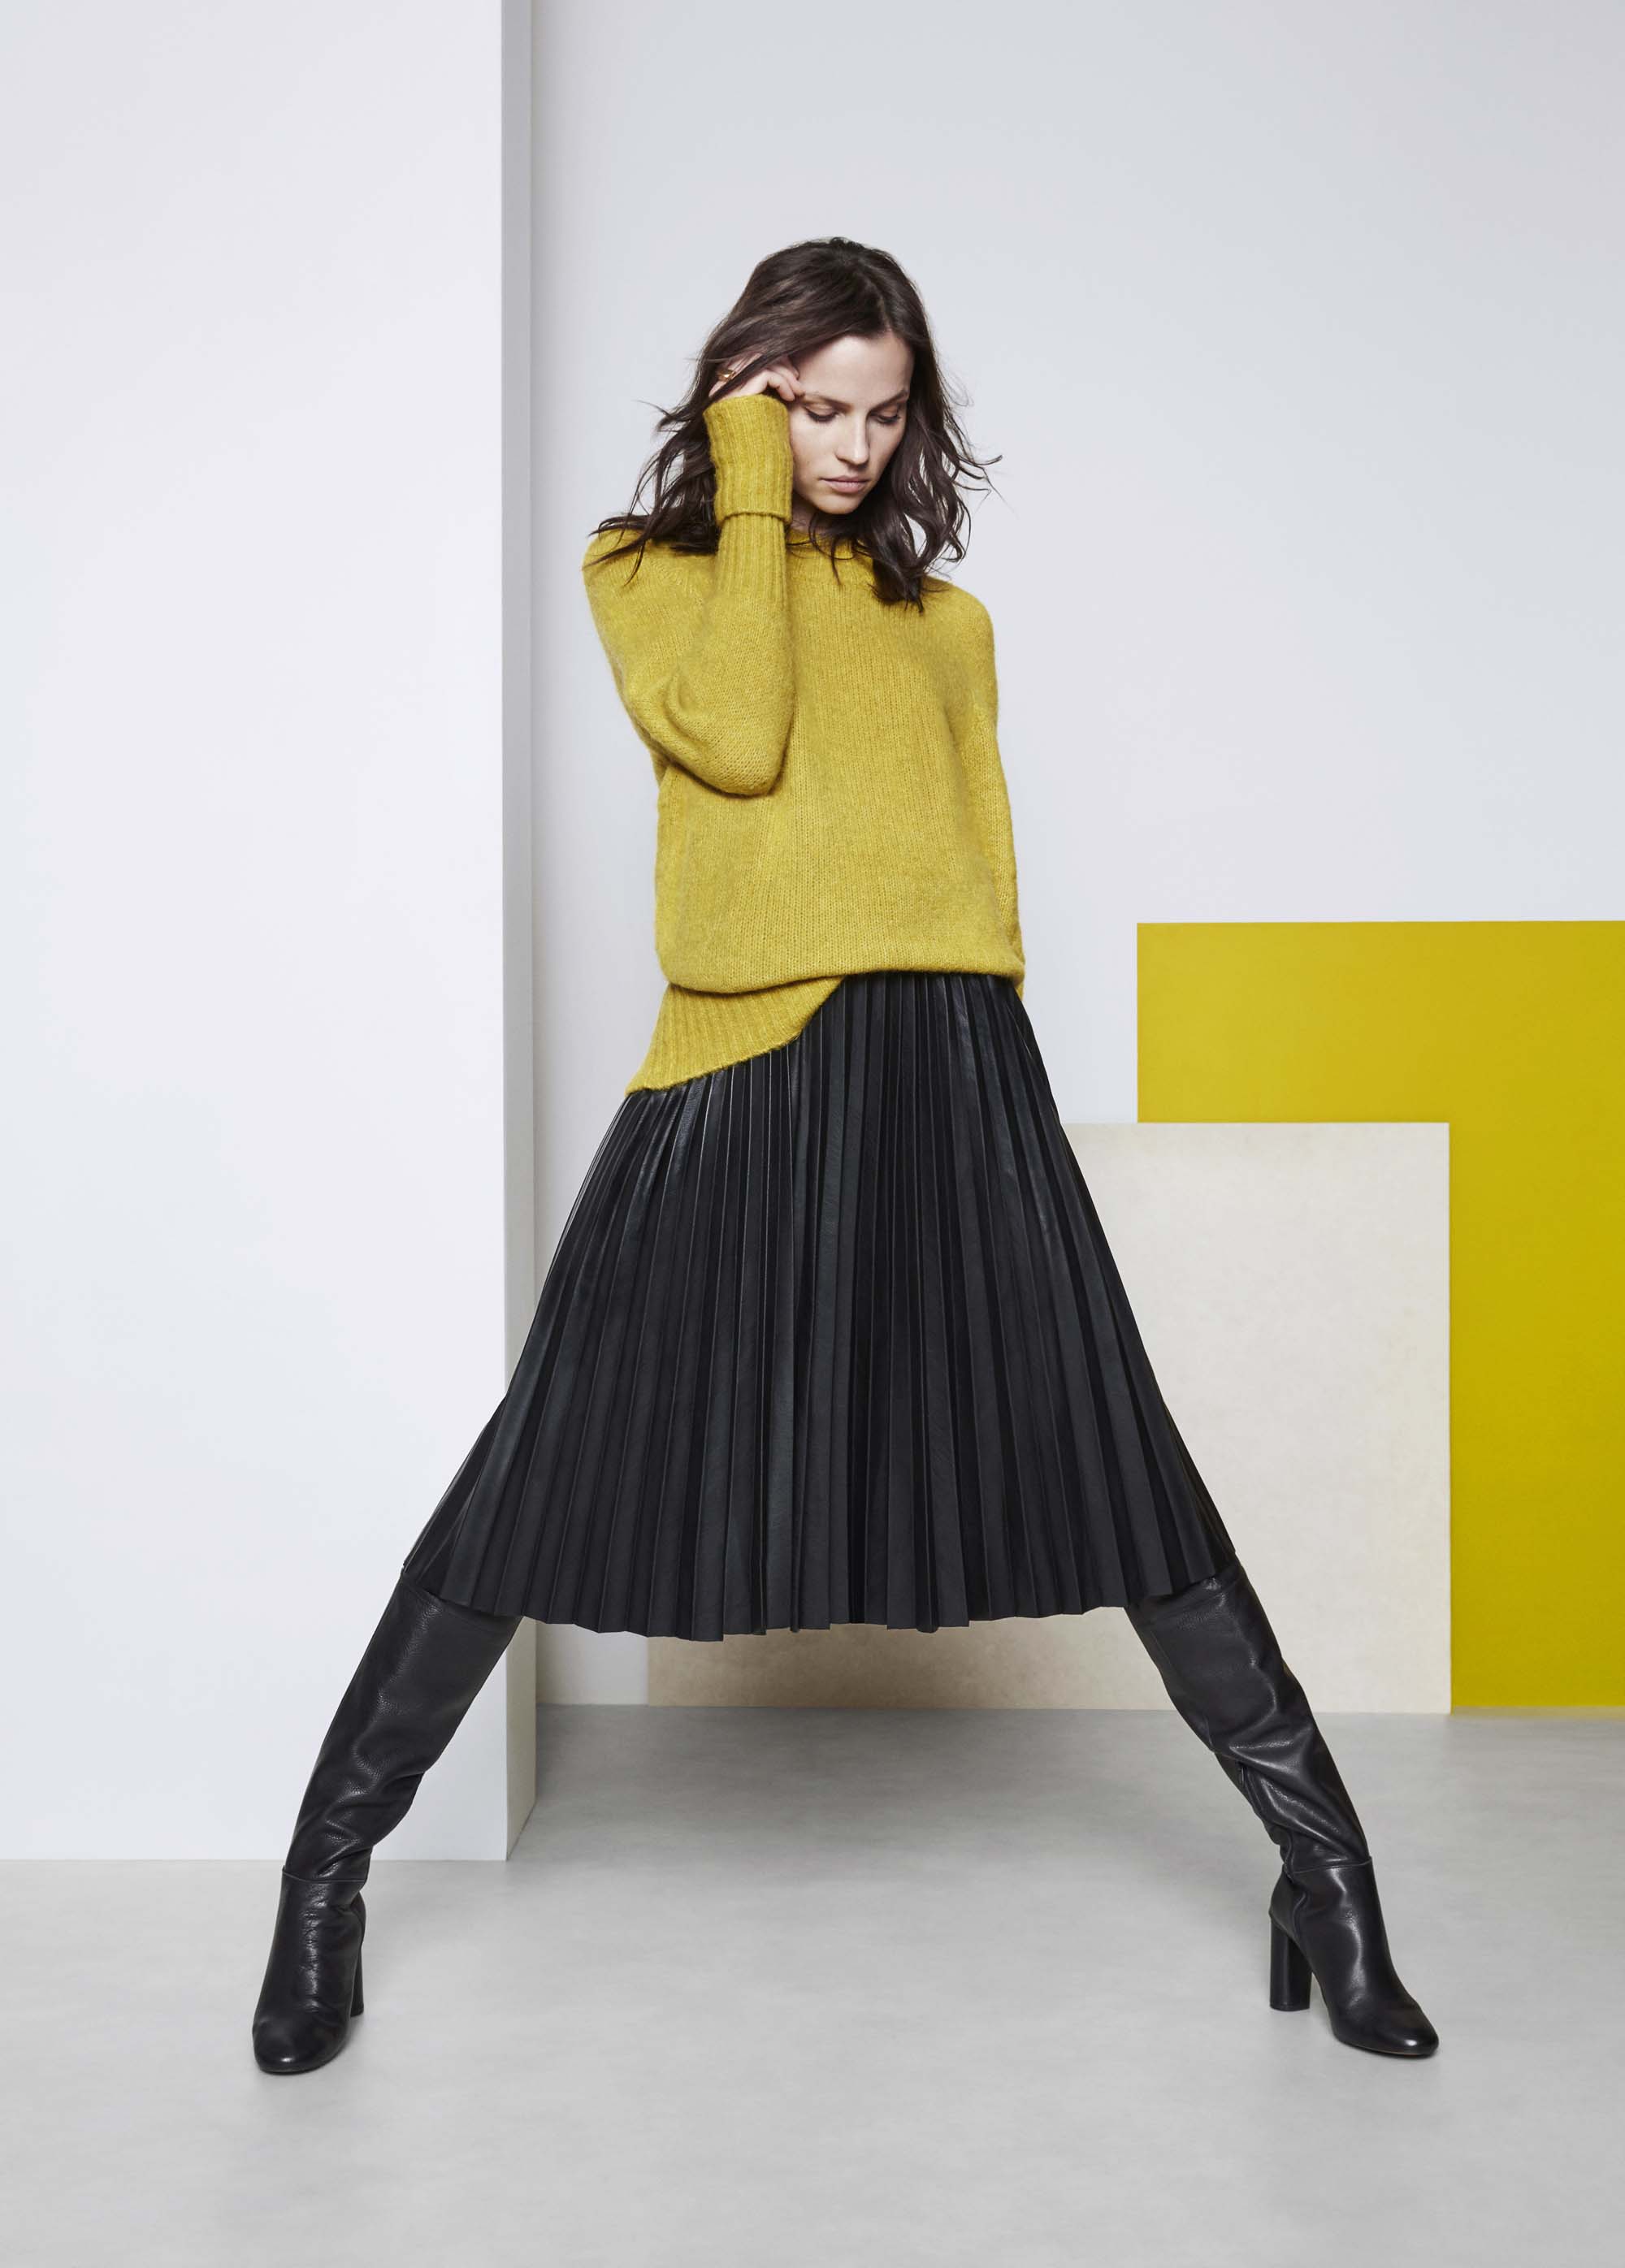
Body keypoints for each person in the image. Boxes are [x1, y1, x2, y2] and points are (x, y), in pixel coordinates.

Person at [251, 236, 1438, 2075]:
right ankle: (322, 1880)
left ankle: (1329, 1878)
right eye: (812, 408)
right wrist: (743, 476)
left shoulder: (950, 624)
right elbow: (739, 738)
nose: (851, 447)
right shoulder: (651, 570)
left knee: (1115, 1457)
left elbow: (981, 877)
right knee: (546, 1466)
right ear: (747, 393)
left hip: (953, 1063)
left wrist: (994, 1070)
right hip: (744, 1057)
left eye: (882, 415)